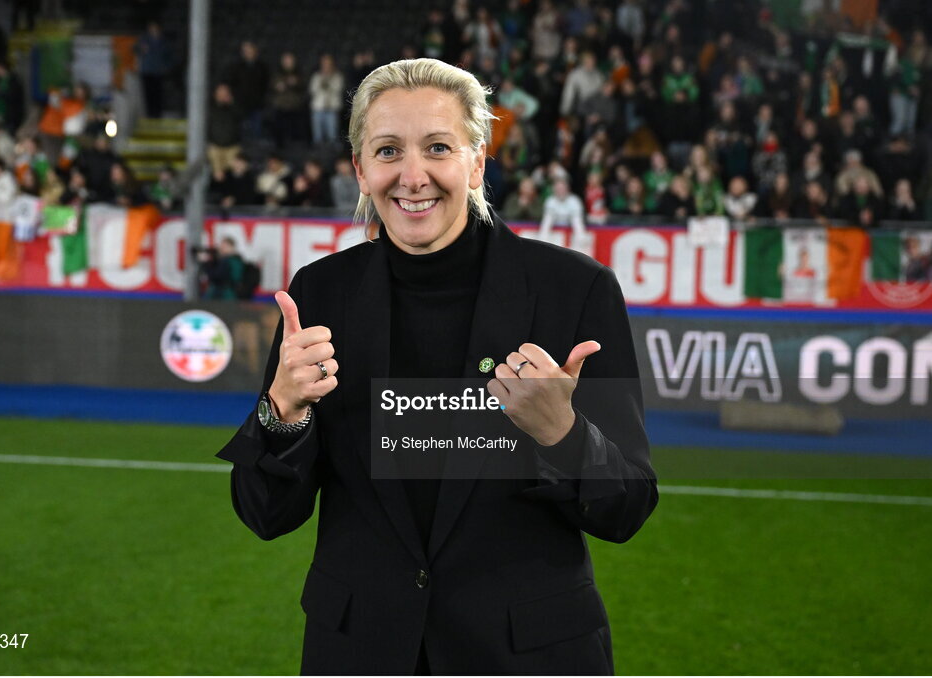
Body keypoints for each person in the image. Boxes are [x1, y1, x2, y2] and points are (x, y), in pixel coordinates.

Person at [215, 58, 656, 675]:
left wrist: (563, 433)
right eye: (388, 150)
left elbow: (627, 508)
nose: (412, 175)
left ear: (476, 163)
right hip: (361, 655)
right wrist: (281, 413)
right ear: (361, 170)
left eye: (438, 147)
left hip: (529, 658)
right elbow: (264, 514)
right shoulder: (318, 295)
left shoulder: (574, 291)